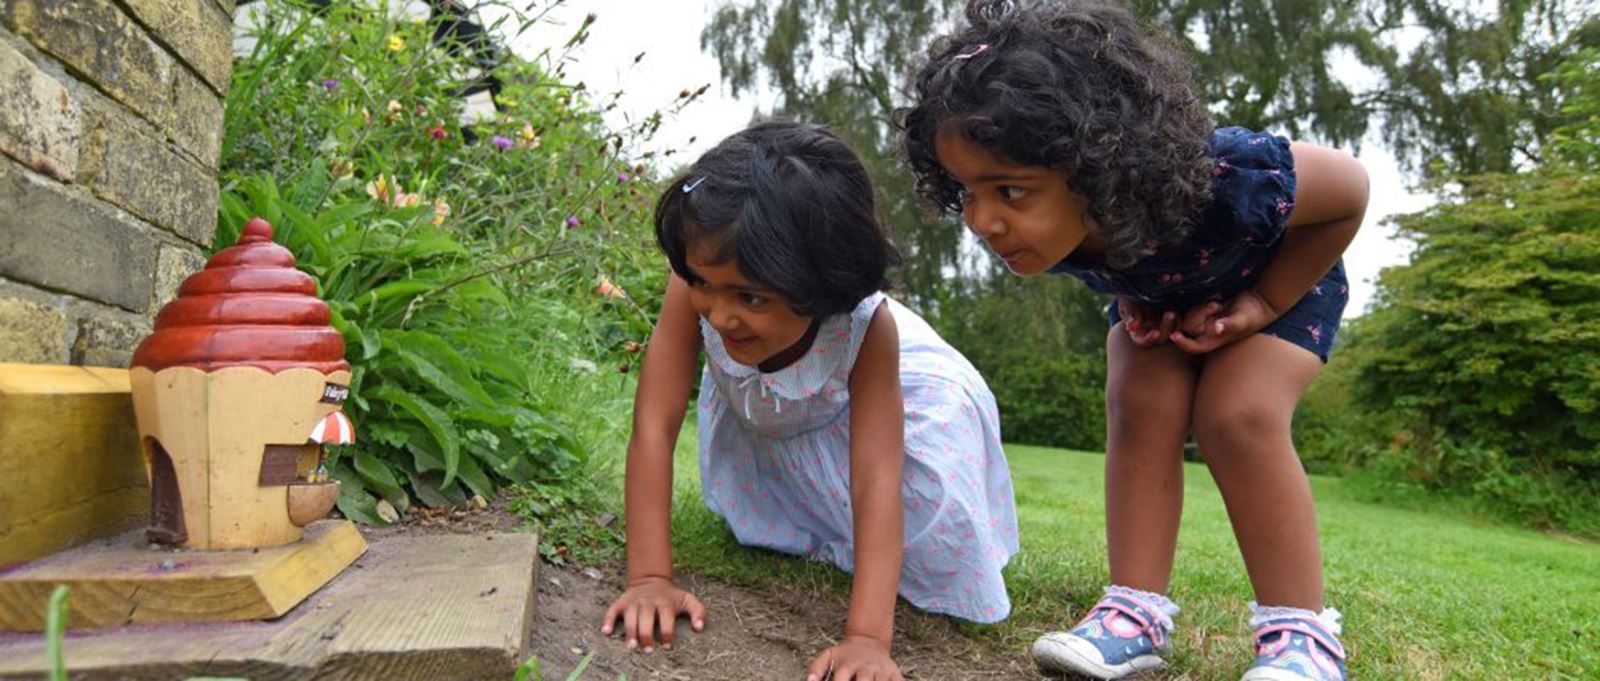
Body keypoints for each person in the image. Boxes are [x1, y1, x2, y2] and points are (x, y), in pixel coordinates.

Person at [899, 2, 1369, 680]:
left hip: (1283, 280)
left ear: (1098, 167)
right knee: (1139, 401)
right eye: (967, 192)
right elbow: (1123, 259)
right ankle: (1133, 614)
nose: (983, 221)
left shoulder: (1229, 176)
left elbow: (1351, 192)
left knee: (1236, 415)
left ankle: (1302, 635)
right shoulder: (1046, 225)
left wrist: (1264, 302)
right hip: (1167, 295)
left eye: (1007, 191)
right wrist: (1130, 297)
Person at [602, 121, 1018, 681]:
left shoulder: (868, 328)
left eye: (750, 297)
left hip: (915, 400)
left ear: (820, 287)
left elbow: (876, 477)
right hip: (799, 408)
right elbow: (654, 424)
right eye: (705, 287)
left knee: (917, 539)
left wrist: (867, 639)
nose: (720, 315)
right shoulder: (701, 277)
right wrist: (648, 577)